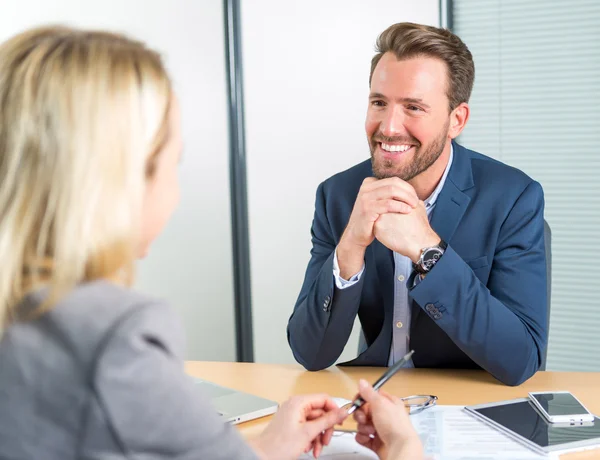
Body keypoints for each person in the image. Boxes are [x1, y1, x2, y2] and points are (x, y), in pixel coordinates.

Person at [0, 25, 417, 460]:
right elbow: (311, 349)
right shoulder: (114, 339)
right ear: (121, 179)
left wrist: (266, 449)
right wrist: (405, 445)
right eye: (172, 162)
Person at [287, 22, 548, 386]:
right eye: (379, 103)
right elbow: (310, 353)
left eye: (413, 107)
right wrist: (350, 248)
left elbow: (521, 358)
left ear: (456, 120)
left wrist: (429, 251)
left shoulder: (512, 198)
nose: (389, 127)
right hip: (376, 403)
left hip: (468, 406)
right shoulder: (339, 195)